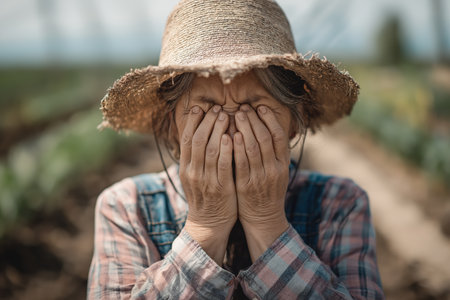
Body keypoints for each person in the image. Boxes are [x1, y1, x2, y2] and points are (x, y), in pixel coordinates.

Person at [88, 0, 384, 299]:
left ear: (295, 122)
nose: (230, 132)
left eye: (253, 108)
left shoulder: (339, 204)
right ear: (173, 126)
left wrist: (266, 220)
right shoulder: (127, 207)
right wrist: (206, 224)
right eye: (207, 110)